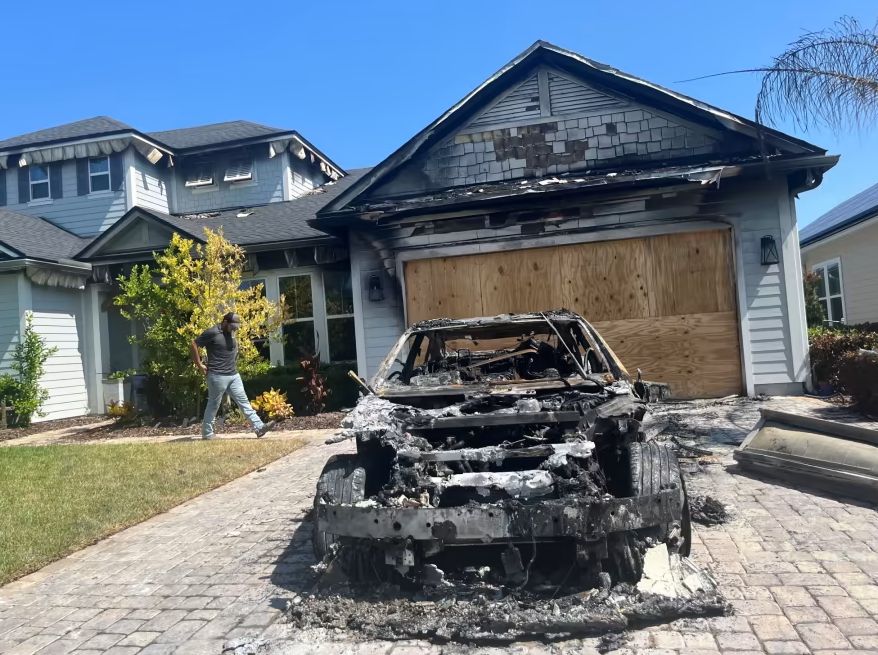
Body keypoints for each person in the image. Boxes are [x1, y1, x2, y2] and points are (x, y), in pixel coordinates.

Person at [190, 312, 275, 440]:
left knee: (244, 403)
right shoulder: (212, 332)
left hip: (233, 375)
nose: (234, 329)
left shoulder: (231, 333)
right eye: (232, 326)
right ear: (225, 322)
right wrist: (199, 364)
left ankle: (259, 427)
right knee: (213, 405)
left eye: (236, 327)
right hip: (217, 375)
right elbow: (194, 343)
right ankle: (207, 433)